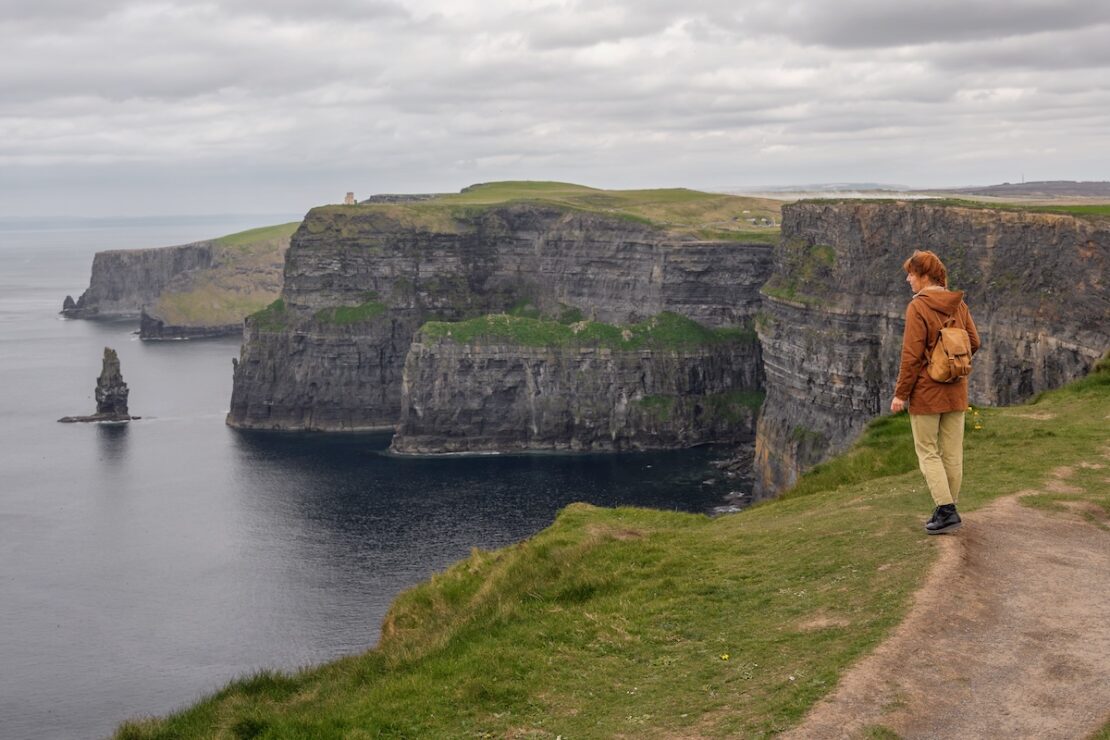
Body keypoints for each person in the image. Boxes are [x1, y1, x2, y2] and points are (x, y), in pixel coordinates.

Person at [890, 250, 980, 534]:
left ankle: (946, 509)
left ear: (924, 276)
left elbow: (911, 356)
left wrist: (901, 394)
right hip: (956, 390)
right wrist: (950, 364)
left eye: (911, 274)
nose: (908, 279)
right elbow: (974, 341)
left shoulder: (918, 307)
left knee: (928, 451)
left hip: (928, 392)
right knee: (952, 454)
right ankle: (947, 508)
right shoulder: (959, 304)